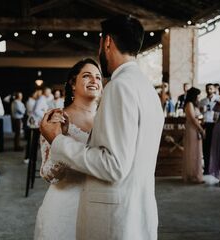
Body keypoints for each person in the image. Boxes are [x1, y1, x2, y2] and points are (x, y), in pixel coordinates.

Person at [40, 15, 164, 240]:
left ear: (106, 42)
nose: (95, 80)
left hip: (115, 215)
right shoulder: (147, 89)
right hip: (137, 211)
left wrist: (58, 141)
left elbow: (113, 165)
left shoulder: (119, 87)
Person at [34, 58, 103, 240]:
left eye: (98, 77)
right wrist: (59, 139)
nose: (94, 81)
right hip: (65, 207)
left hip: (102, 206)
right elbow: (48, 174)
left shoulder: (108, 118)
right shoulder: (57, 118)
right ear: (73, 83)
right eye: (87, 76)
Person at [182, 87, 205, 184]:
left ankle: (195, 175)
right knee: (192, 152)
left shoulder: (194, 105)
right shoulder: (189, 104)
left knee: (197, 152)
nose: (199, 97)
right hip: (192, 129)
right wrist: (201, 129)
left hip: (195, 128)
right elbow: (192, 118)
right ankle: (192, 176)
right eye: (198, 95)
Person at [199, 83, 216, 175]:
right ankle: (207, 168)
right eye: (207, 88)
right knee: (205, 147)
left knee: (214, 147)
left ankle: (214, 168)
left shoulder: (218, 100)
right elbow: (200, 112)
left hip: (215, 125)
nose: (208, 90)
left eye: (210, 88)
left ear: (213, 89)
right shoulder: (202, 101)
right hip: (205, 124)